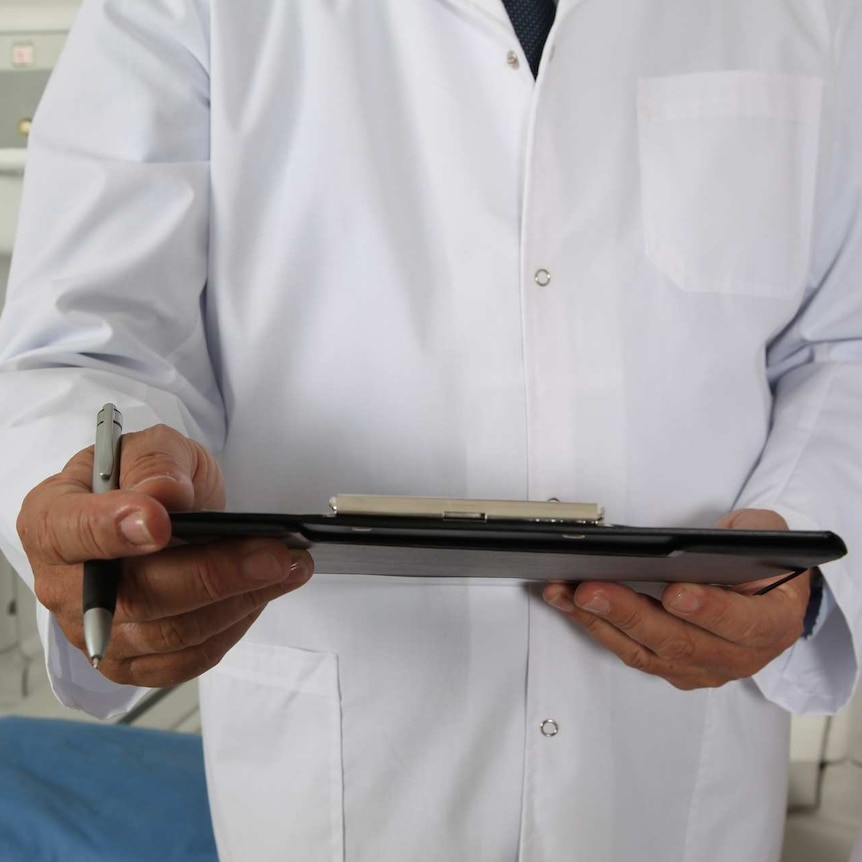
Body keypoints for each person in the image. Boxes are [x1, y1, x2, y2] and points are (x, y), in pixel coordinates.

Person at [0, 1, 860, 860]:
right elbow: (89, 344)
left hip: (673, 769)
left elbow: (846, 345)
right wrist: (101, 498)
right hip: (344, 769)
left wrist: (795, 560)